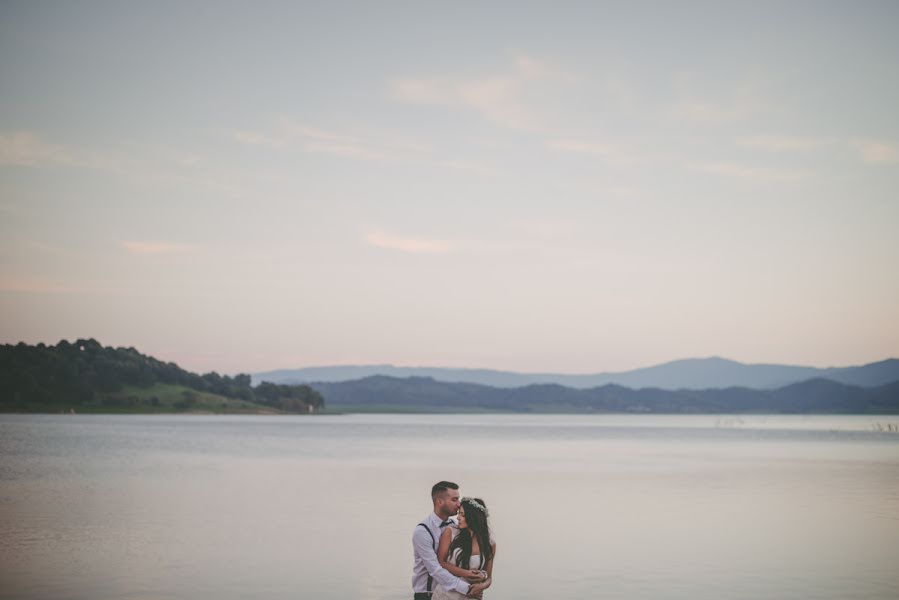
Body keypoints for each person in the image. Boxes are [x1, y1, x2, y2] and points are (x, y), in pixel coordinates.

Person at [413, 482, 487, 599]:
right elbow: (435, 569)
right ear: (439, 502)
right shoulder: (422, 532)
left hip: (454, 594)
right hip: (427, 594)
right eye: (454, 500)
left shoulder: (456, 526)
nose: (459, 504)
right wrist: (466, 588)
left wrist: (482, 579)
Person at [432, 497, 496, 600]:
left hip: (472, 596)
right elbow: (441, 562)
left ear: (473, 517)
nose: (458, 518)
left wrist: (481, 586)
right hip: (447, 595)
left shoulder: (489, 544)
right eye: (459, 513)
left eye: (462, 515)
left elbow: (489, 577)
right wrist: (466, 573)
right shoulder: (451, 532)